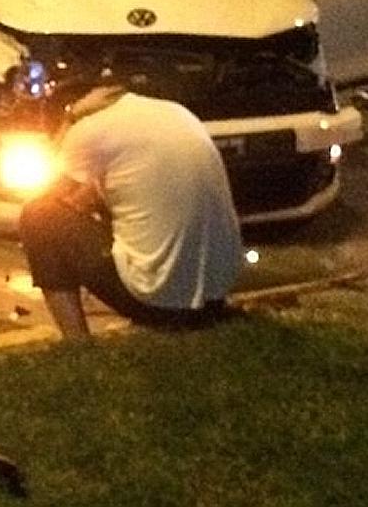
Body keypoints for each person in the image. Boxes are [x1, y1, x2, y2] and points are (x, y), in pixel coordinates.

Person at [17, 79, 245, 341]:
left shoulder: (88, 127)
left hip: (160, 303)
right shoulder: (174, 111)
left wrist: (69, 120)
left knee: (39, 216)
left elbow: (48, 192)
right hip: (216, 294)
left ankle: (76, 342)